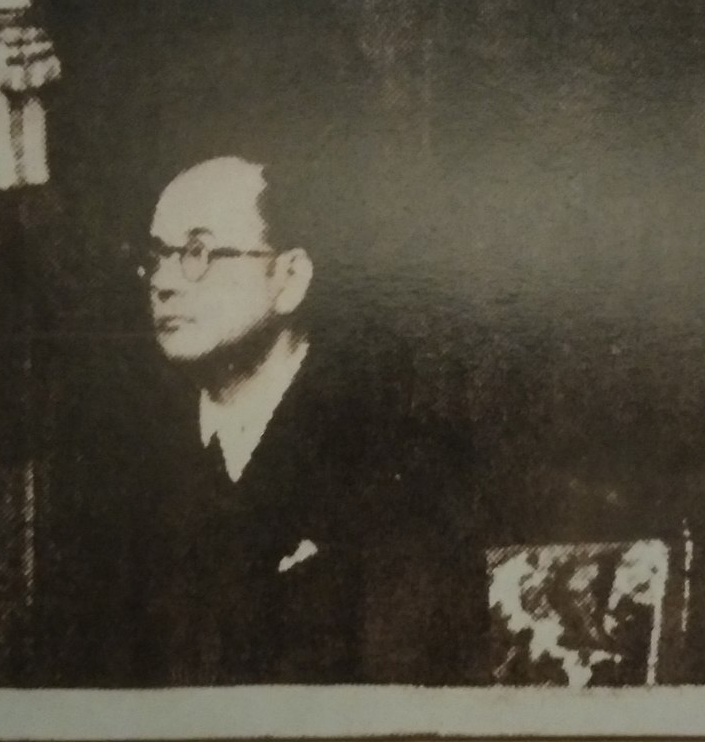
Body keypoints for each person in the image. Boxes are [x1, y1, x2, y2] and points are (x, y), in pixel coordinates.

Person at [45, 155, 488, 686]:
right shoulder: (121, 463)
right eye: (155, 255)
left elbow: (412, 691)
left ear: (289, 278)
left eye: (197, 251)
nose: (162, 282)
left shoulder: (395, 456)